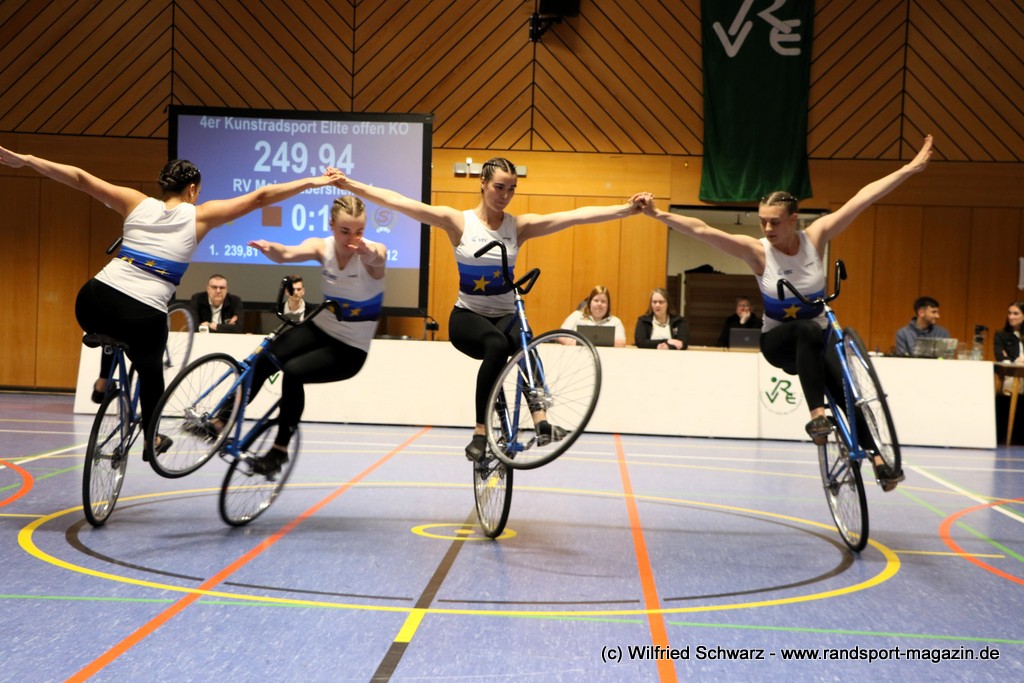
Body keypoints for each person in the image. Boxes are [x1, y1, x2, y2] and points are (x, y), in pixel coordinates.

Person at [0, 143, 343, 459]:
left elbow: (80, 178)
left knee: (117, 327)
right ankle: (151, 440)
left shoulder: (134, 201)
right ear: (192, 190)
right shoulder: (200, 215)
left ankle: (104, 379)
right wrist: (313, 182)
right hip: (141, 315)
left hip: (90, 303)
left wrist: (26, 160)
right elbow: (261, 196)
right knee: (151, 373)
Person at [635, 135, 934, 491]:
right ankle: (817, 417)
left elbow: (863, 198)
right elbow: (702, 230)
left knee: (846, 393)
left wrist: (909, 169)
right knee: (806, 329)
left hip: (817, 341)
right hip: (778, 343)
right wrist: (656, 214)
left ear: (794, 219)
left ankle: (879, 461)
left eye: (774, 222)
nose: (767, 229)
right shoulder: (757, 252)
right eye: (762, 221)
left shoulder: (816, 236)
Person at [333, 157, 646, 461]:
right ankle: (480, 432)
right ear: (483, 183)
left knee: (526, 342)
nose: (505, 196)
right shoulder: (458, 222)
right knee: (496, 344)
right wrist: (350, 184)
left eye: (511, 189)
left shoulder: (518, 226)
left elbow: (575, 216)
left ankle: (541, 422)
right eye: (499, 187)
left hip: (505, 316)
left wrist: (627, 209)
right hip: (467, 318)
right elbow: (400, 202)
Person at [242, 196, 385, 477]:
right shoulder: (323, 247)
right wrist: (271, 249)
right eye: (345, 231)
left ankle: (278, 452)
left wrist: (367, 249)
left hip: (350, 349)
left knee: (293, 373)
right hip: (319, 329)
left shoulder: (370, 255)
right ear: (331, 225)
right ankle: (220, 423)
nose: (352, 239)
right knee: (264, 359)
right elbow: (288, 253)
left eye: (359, 232)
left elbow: (377, 255)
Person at [559, 285, 626, 347]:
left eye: (603, 301)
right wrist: (580, 343)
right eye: (596, 300)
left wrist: (593, 343)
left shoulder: (615, 322)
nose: (599, 304)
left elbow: (621, 343)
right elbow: (561, 335)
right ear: (589, 302)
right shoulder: (576, 316)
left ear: (608, 305)